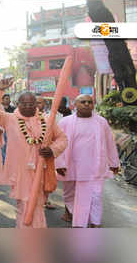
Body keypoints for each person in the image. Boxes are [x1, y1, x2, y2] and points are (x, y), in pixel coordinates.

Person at [0, 78, 68, 228]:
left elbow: (62, 139)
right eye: (24, 103)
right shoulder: (9, 118)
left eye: (32, 103)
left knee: (36, 205)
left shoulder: (47, 120)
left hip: (41, 170)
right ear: (17, 104)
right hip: (20, 172)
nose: (28, 106)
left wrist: (52, 150)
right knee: (25, 204)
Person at [56, 94, 120, 228]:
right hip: (71, 165)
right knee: (70, 195)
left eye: (89, 102)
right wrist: (59, 163)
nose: (86, 104)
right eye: (83, 102)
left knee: (96, 195)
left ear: (93, 105)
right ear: (75, 104)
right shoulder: (65, 122)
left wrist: (114, 163)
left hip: (95, 166)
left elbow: (109, 143)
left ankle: (95, 223)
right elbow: (58, 144)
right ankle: (74, 215)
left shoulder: (101, 122)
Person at [35, 97, 56, 211]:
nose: (37, 105)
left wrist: (52, 149)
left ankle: (45, 199)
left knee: (46, 179)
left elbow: (60, 138)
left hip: (46, 155)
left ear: (45, 104)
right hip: (31, 157)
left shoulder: (49, 118)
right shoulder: (23, 119)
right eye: (35, 102)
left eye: (40, 102)